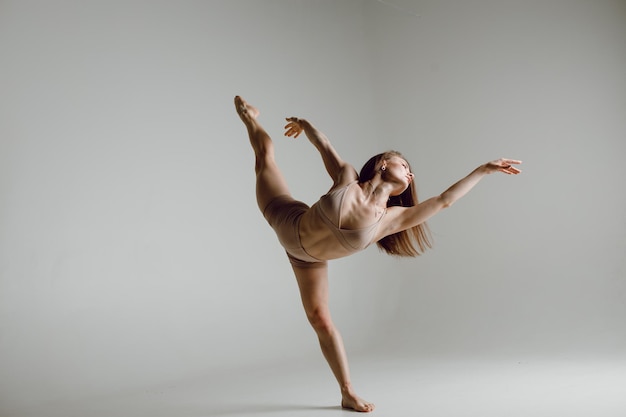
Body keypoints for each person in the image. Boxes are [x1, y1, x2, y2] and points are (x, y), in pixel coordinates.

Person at [234, 95, 521, 412]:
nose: (410, 173)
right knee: (265, 159)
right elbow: (324, 144)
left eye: (411, 172)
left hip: (306, 260)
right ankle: (251, 117)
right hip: (286, 219)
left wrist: (483, 170)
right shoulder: (346, 177)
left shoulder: (390, 220)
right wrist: (304, 125)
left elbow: (444, 200)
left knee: (320, 319)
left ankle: (347, 392)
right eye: (405, 165)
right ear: (384, 163)